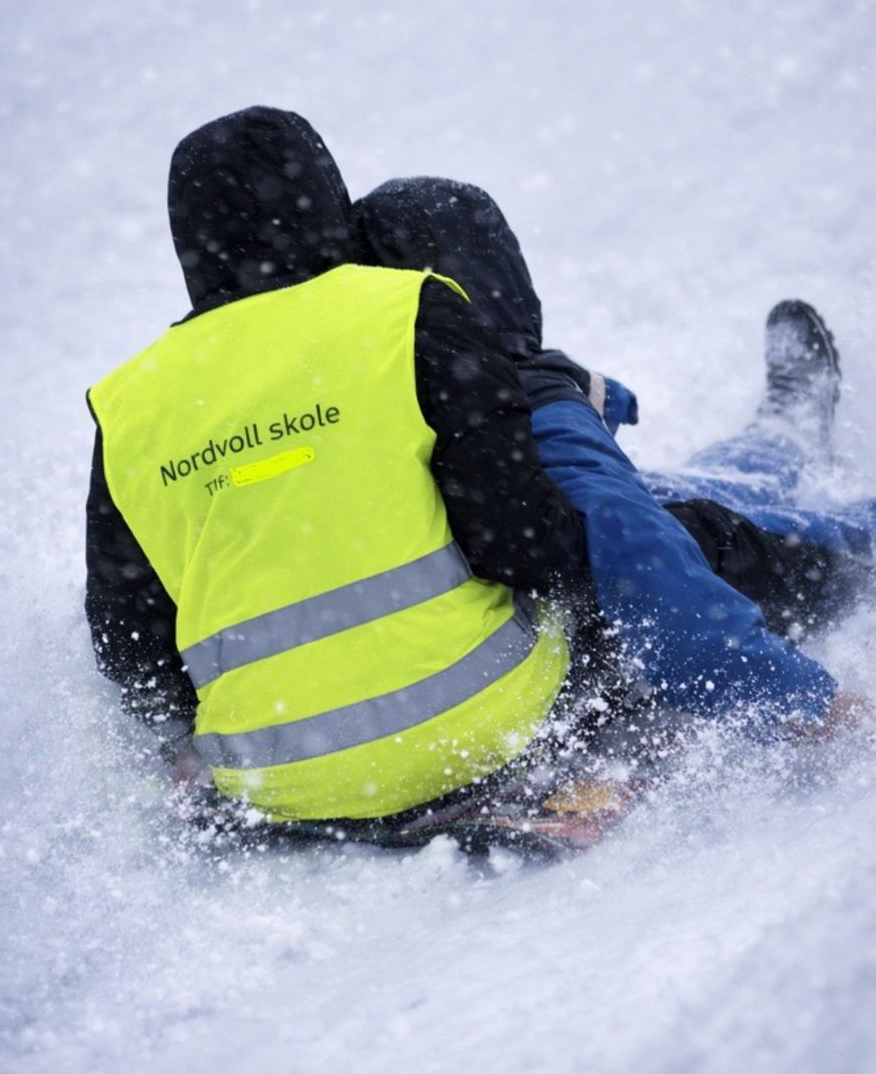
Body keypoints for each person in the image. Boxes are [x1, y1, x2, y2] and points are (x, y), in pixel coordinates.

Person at [85, 107, 870, 829]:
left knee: (617, 510)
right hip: (479, 732)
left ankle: (769, 450)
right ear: (326, 202)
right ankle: (823, 521)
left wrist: (207, 740)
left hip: (272, 783)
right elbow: (524, 541)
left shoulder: (131, 404)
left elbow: (130, 644)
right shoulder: (400, 312)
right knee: (649, 531)